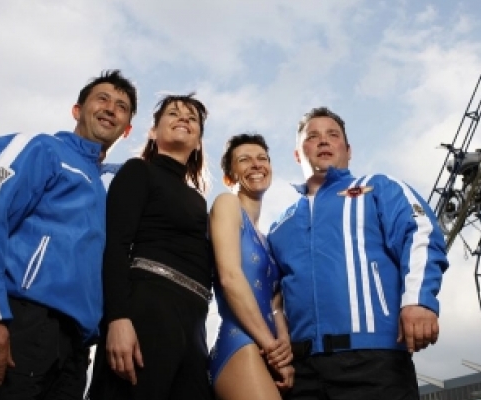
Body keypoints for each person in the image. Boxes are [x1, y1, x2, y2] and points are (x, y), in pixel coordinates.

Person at [0, 70, 137, 399]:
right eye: (102, 99)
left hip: (75, 351)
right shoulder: (42, 148)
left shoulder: (106, 189)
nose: (111, 108)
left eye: (122, 106)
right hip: (19, 322)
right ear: (77, 110)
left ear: (127, 129)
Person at [266, 107, 449, 400]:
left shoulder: (378, 187)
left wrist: (418, 300)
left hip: (375, 361)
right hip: (303, 373)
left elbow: (422, 234)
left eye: (332, 134)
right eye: (312, 136)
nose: (323, 141)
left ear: (348, 150)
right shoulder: (279, 225)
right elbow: (271, 294)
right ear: (298, 154)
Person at [88, 94, 213, 400]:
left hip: (194, 322)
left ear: (198, 141)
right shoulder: (138, 171)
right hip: (147, 309)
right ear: (153, 132)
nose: (183, 119)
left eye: (192, 118)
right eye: (173, 113)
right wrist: (117, 318)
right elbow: (115, 244)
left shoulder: (198, 201)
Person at [209, 133, 294, 400]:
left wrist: (284, 345)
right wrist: (272, 347)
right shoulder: (227, 204)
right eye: (244, 160)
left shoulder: (268, 240)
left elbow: (275, 304)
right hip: (240, 343)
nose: (256, 164)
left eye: (262, 158)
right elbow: (230, 277)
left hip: (268, 350)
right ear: (229, 177)